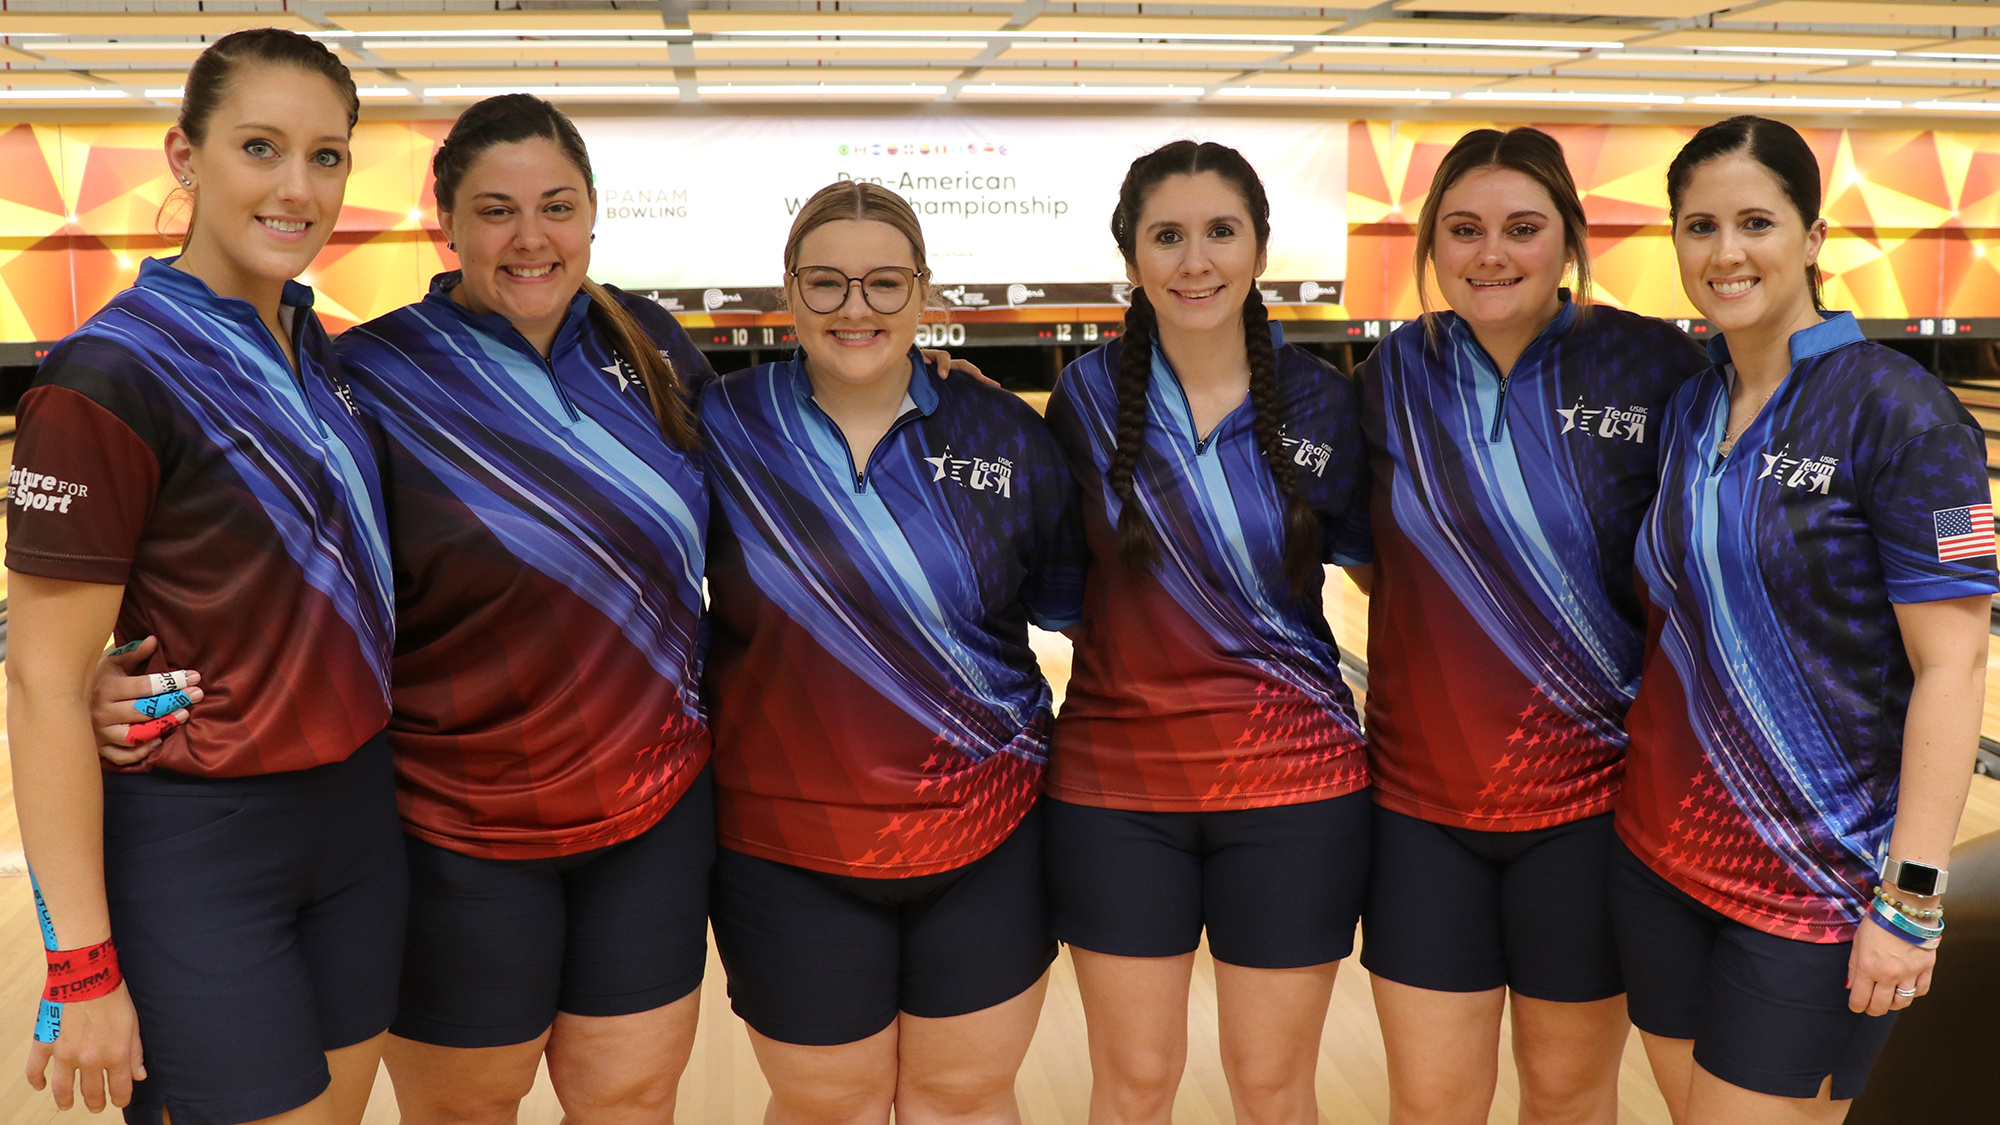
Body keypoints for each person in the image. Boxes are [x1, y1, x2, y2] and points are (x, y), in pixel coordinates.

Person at [6, 28, 403, 1125]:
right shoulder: (107, 377)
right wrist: (79, 961)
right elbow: (42, 684)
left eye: (326, 156)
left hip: (358, 825)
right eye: (260, 147)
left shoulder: (316, 352)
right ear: (185, 157)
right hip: (200, 845)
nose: (296, 186)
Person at [328, 95, 718, 1125]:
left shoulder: (653, 346)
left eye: (556, 206)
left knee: (629, 1096)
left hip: (652, 812)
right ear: (444, 223)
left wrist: (927, 380)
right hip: (456, 824)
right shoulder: (369, 377)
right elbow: (288, 586)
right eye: (496, 210)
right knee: (468, 1108)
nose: (531, 237)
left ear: (591, 213)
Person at [1615, 115, 1994, 1123]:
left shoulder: (1907, 415)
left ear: (1811, 236)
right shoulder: (1692, 408)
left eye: (1754, 221)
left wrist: (1909, 901)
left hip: (1815, 886)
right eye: (1698, 226)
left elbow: (1954, 670)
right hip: (1657, 856)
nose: (1724, 252)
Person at [699, 179, 1085, 1125]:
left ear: (923, 290)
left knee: (963, 1096)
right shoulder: (719, 428)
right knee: (829, 1104)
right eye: (825, 283)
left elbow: (1072, 611)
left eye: (883, 282)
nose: (856, 307)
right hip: (784, 841)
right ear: (787, 291)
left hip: (987, 830)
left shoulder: (1008, 435)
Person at [1353, 127, 1707, 1125]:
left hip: (1592, 811)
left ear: (1566, 239)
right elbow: (1376, 567)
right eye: (1461, 230)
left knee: (1564, 1094)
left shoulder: (1649, 363)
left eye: (1520, 227)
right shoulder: (1391, 375)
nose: (1490, 252)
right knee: (1430, 1103)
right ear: (1430, 243)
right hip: (1420, 809)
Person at [1041, 140, 1371, 1125]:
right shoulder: (1083, 400)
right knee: (1131, 1085)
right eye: (1168, 236)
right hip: (1115, 795)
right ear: (1131, 256)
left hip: (1295, 794)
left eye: (1220, 231)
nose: (1196, 261)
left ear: (1258, 247)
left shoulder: (1324, 401)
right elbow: (1061, 595)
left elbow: (1376, 576)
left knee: (1272, 1090)